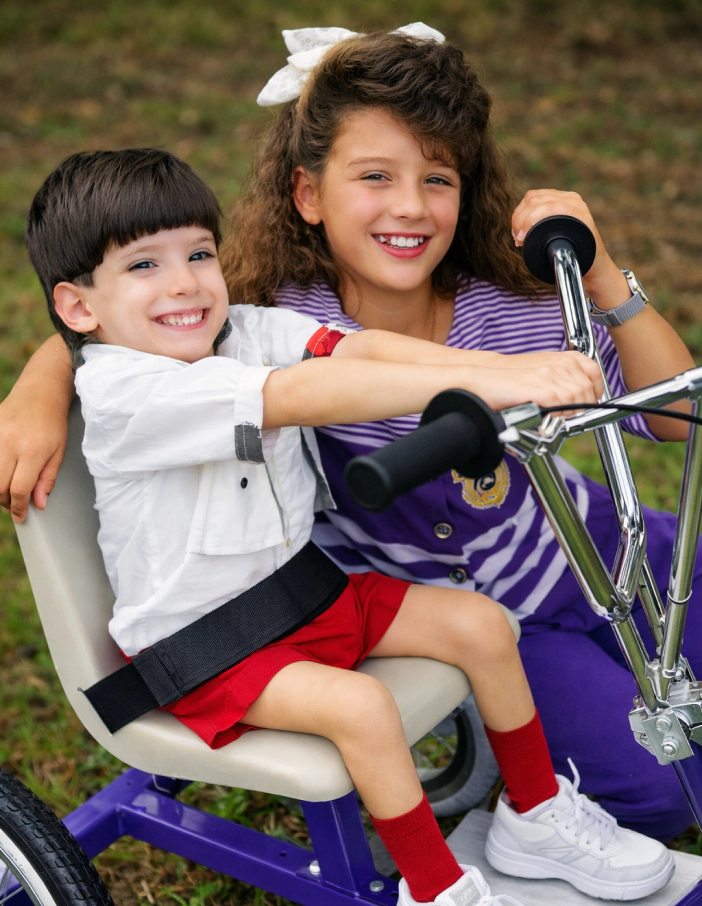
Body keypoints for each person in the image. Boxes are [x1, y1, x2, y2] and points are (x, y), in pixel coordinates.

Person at [21, 146, 672, 906]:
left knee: (479, 623)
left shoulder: (237, 330)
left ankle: (536, 814)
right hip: (208, 649)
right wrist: (496, 380)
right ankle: (436, 889)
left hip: (305, 600)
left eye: (199, 254)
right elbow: (313, 391)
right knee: (363, 707)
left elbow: (358, 348)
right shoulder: (131, 394)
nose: (185, 283)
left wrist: (502, 366)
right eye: (144, 266)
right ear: (79, 308)